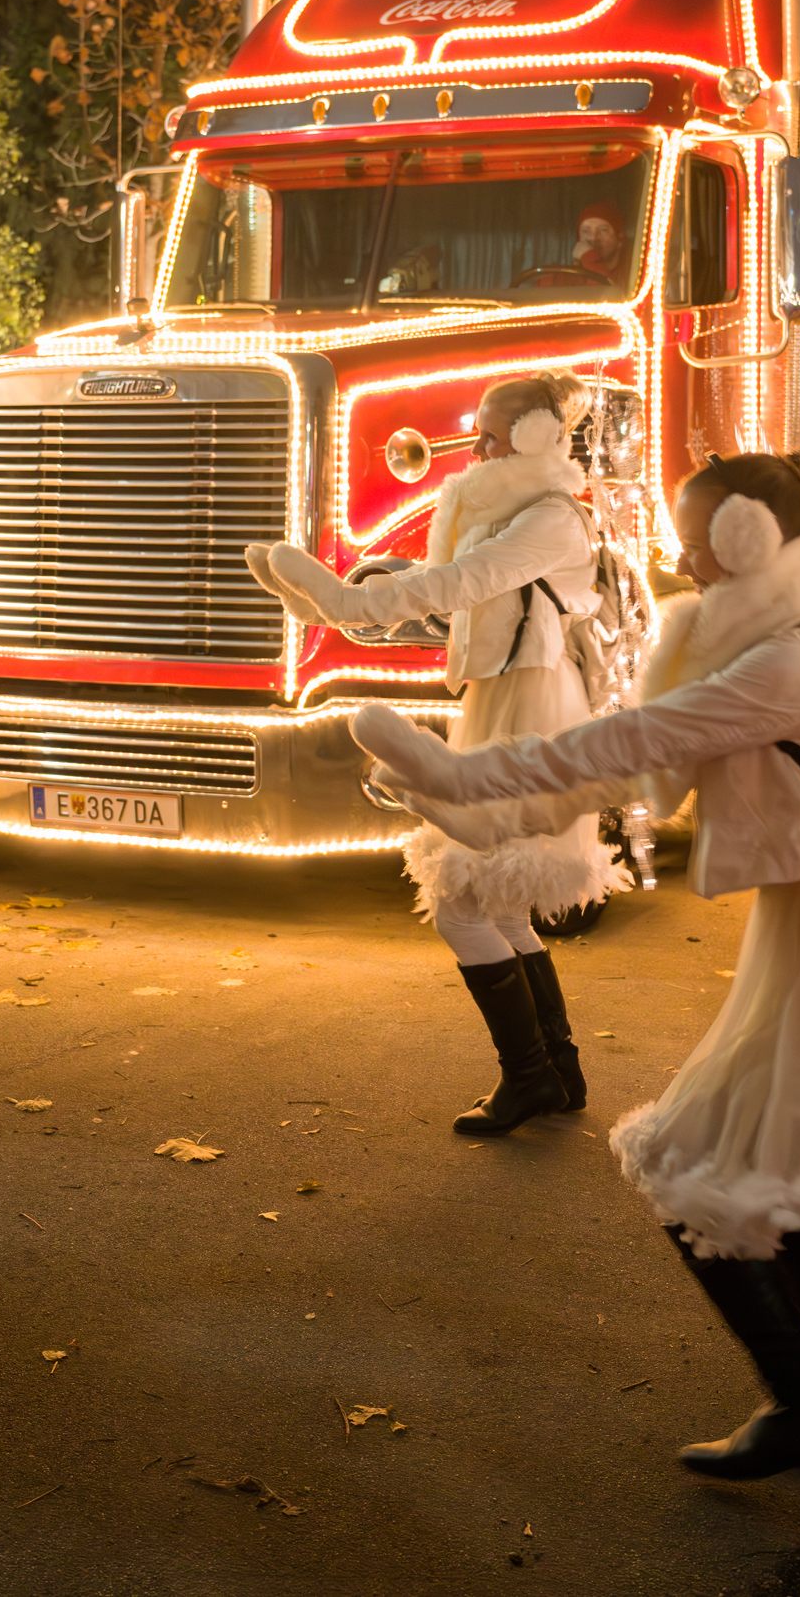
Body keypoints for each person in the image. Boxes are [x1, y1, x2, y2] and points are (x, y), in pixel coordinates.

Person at [347, 446, 800, 1479]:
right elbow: (634, 773)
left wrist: (456, 772)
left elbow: (628, 743)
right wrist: (459, 801)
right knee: (771, 1175)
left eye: (695, 542)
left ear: (749, 540)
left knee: (699, 1162)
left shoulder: (796, 661)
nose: (681, 562)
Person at [243, 374, 618, 1135]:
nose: (475, 449)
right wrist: (353, 597)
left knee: (462, 906)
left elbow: (467, 580)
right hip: (504, 701)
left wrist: (349, 603)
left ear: (536, 439)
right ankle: (555, 1072)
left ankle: (531, 1076)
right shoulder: (517, 512)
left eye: (491, 435)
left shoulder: (551, 518)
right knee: (499, 901)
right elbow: (449, 582)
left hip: (533, 710)